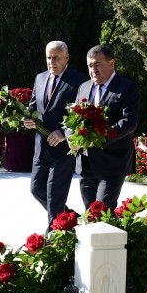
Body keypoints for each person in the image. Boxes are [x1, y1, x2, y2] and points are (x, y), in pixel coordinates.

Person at [23, 41, 87, 230]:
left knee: (55, 196)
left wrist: (65, 132)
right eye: (49, 57)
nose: (51, 62)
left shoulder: (79, 81)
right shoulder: (40, 78)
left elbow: (81, 115)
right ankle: (71, 218)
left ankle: (52, 239)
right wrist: (26, 119)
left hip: (63, 150)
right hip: (40, 148)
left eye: (56, 57)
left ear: (66, 57)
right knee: (36, 190)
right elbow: (33, 107)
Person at [74, 45, 141, 209]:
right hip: (86, 163)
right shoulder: (84, 87)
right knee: (89, 211)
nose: (93, 70)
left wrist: (96, 138)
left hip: (113, 163)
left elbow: (129, 122)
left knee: (103, 210)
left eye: (97, 64)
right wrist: (72, 136)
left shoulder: (127, 88)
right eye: (90, 65)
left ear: (111, 63)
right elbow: (73, 119)